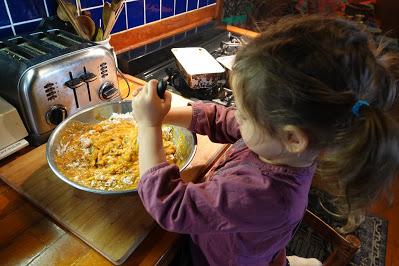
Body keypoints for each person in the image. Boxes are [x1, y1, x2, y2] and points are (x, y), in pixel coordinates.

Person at [131, 15, 399, 266]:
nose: (238, 116)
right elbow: (224, 120)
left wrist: (148, 125)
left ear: (293, 137)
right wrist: (167, 114)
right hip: (254, 243)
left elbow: (170, 205)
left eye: (246, 115)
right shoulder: (283, 146)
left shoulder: (260, 193)